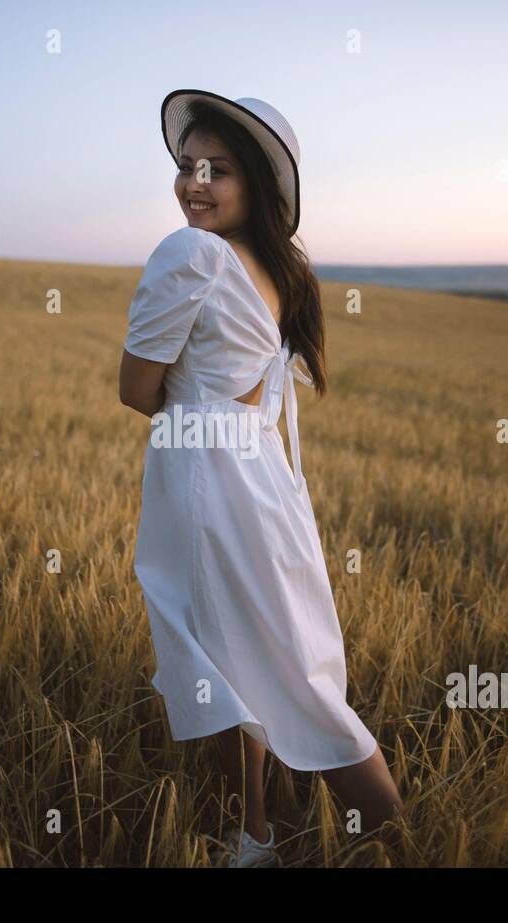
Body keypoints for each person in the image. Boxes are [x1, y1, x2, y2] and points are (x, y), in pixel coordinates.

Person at [119, 90, 403, 867]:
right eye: (186, 166)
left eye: (218, 170)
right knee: (263, 662)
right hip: (264, 483)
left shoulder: (190, 254)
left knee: (237, 666)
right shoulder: (284, 270)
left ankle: (357, 831)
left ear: (259, 187)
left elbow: (137, 391)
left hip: (207, 486)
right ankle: (264, 835)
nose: (194, 183)